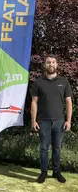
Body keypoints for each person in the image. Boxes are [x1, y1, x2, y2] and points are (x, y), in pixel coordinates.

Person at [31, 54, 72, 184]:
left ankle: (56, 172)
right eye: (48, 62)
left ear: (57, 64)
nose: (51, 64)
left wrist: (68, 120)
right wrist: (33, 120)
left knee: (57, 148)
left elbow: (69, 102)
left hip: (59, 121)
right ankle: (43, 172)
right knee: (43, 148)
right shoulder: (38, 82)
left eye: (53, 62)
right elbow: (34, 102)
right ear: (45, 64)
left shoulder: (64, 82)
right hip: (43, 121)